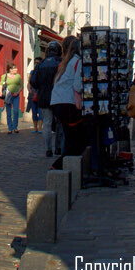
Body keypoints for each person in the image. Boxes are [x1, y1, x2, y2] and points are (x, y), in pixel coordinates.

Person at [48, 39, 89, 172]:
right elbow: (77, 86)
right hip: (68, 105)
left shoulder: (67, 62)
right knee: (79, 140)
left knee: (71, 137)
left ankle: (65, 168)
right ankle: (58, 166)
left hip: (58, 104)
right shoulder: (78, 62)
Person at [30, 42, 63, 157]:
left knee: (47, 124)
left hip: (44, 96)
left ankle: (48, 149)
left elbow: (33, 81)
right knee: (59, 122)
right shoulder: (60, 62)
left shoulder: (41, 64)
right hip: (58, 95)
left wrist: (42, 87)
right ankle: (58, 147)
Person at [0, 65, 24, 133]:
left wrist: (17, 92)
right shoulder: (5, 76)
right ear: (10, 69)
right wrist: (0, 91)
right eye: (15, 68)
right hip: (8, 95)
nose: (16, 69)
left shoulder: (18, 76)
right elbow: (1, 84)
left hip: (16, 95)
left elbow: (21, 86)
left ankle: (15, 127)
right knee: (8, 112)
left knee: (16, 111)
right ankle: (10, 128)